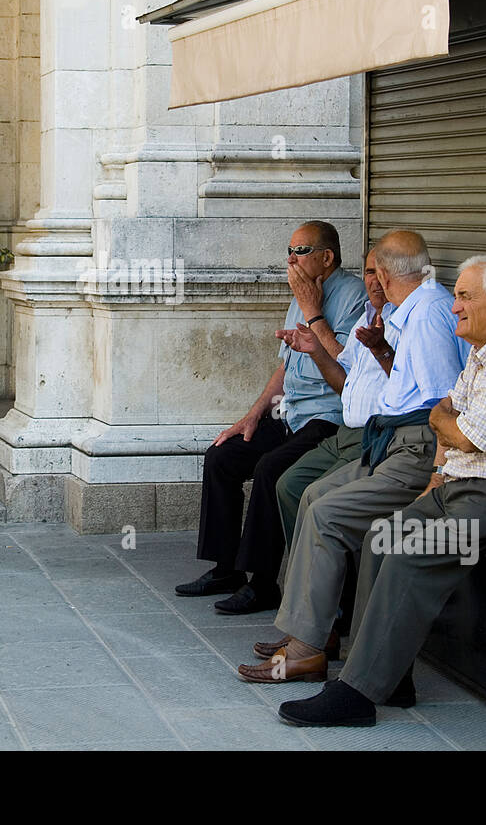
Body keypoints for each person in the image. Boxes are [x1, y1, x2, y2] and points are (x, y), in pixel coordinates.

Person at [266, 256, 486, 728]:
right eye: (455, 295)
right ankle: (385, 678)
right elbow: (441, 417)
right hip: (470, 482)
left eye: (464, 297)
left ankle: (356, 694)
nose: (454, 306)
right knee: (382, 536)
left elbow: (465, 434)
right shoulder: (483, 348)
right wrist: (451, 436)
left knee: (408, 549)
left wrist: (458, 427)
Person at [237, 229, 467, 677]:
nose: (460, 306)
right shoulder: (403, 312)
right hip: (388, 440)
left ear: (383, 271)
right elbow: (398, 382)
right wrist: (381, 351)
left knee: (324, 511)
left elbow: (443, 403)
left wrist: (438, 480)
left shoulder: (427, 314)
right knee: (307, 495)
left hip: (414, 448)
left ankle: (309, 648)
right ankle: (313, 632)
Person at [176, 222, 366, 615]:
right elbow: (285, 365)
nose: (290, 259)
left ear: (326, 257)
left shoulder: (352, 296)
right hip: (290, 411)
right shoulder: (301, 290)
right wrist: (252, 415)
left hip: (329, 417)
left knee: (270, 470)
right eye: (290, 250)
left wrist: (314, 312)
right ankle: (226, 568)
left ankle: (264, 584)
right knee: (223, 456)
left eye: (300, 251)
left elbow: (347, 368)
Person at [245, 248, 395, 662]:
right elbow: (343, 377)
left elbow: (418, 397)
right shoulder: (370, 314)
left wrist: (315, 317)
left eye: (383, 273)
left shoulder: (411, 319)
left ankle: (321, 624)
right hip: (347, 429)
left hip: (375, 436)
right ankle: (308, 622)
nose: (375, 280)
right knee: (288, 483)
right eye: (369, 271)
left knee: (309, 494)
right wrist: (313, 349)